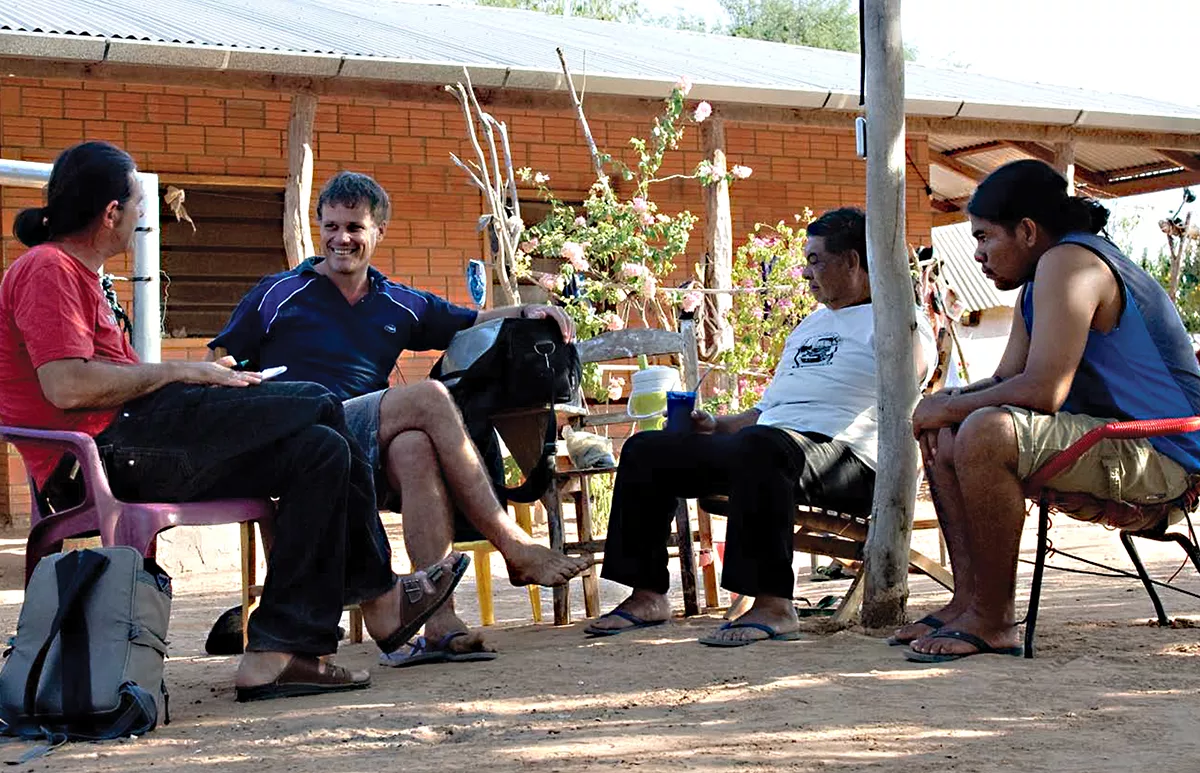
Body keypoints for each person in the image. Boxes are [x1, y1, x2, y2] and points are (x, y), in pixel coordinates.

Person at [0, 141, 468, 702]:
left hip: (136, 440)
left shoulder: (79, 274)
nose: (142, 216)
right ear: (111, 214)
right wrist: (184, 373)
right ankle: (382, 598)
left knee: (320, 449)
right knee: (318, 400)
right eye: (137, 204)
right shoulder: (46, 268)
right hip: (103, 455)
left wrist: (188, 377)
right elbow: (66, 385)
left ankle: (276, 653)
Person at [208, 171, 590, 665]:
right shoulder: (278, 293)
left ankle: (440, 622)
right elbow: (220, 356)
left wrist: (533, 312)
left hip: (365, 445)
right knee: (428, 398)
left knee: (414, 447)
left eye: (354, 227)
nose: (340, 238)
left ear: (379, 231)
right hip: (302, 436)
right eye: (331, 226)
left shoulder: (398, 302)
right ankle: (512, 542)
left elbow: (472, 320)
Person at [587, 207, 937, 646]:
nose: (806, 273)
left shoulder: (899, 320)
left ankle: (774, 603)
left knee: (762, 448)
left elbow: (913, 376)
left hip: (849, 459)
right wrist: (716, 426)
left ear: (852, 261)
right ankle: (647, 595)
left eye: (816, 260)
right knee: (648, 451)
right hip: (770, 448)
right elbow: (766, 412)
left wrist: (898, 307)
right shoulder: (810, 325)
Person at [898, 159, 1200, 662]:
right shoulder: (1040, 280)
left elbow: (1042, 391)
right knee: (952, 427)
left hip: (1166, 451)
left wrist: (951, 409)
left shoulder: (1072, 262)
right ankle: (969, 602)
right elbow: (1004, 380)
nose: (977, 255)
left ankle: (993, 620)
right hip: (1116, 439)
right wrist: (941, 404)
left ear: (1028, 230)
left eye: (985, 238)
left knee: (983, 432)